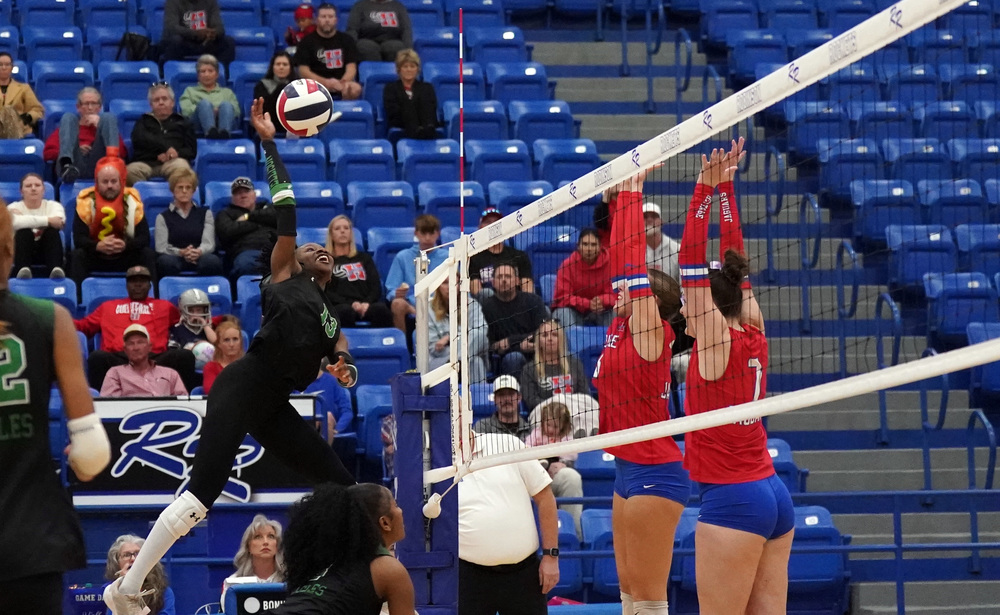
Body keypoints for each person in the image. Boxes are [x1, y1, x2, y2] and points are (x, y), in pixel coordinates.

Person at [104, 97, 360, 615]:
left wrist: (342, 365)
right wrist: (268, 142)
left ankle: (350, 583)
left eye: (323, 250)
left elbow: (338, 346)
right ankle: (126, 587)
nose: (317, 248)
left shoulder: (328, 309)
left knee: (344, 486)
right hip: (244, 384)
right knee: (202, 494)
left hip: (271, 401)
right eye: (310, 247)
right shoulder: (284, 274)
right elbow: (287, 209)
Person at [679, 139, 792, 615]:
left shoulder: (715, 339)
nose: (684, 308)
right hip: (772, 493)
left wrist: (703, 190)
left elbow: (690, 263)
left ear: (707, 306)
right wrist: (726, 189)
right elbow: (735, 262)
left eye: (691, 302)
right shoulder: (752, 326)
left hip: (734, 501)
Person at [0, 200, 111, 613]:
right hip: (32, 539)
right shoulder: (52, 320)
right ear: (11, 249)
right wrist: (78, 458)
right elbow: (92, 455)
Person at [592, 168, 688, 615]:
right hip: (627, 470)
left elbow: (631, 266)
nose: (623, 291)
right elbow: (620, 259)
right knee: (628, 594)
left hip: (656, 469)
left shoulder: (653, 332)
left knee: (649, 601)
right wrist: (617, 206)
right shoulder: (623, 321)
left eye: (636, 291)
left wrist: (634, 193)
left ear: (651, 302)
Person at [267, 483, 413, 614]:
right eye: (396, 505)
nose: (401, 511)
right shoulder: (389, 569)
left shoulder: (329, 559)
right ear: (385, 523)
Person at [458, 428, 560, 615]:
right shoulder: (435, 458)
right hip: (468, 576)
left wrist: (551, 557)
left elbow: (545, 498)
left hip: (524, 574)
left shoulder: (508, 444)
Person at [75, 265, 197, 391]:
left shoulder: (165, 307)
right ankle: (99, 404)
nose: (138, 285)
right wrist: (57, 317)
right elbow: (83, 326)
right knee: (97, 358)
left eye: (142, 281)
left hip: (155, 358)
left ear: (150, 285)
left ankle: (184, 402)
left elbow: (188, 324)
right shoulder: (107, 307)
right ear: (127, 285)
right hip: (119, 359)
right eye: (133, 281)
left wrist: (214, 322)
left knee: (185, 356)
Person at [68, 154, 158, 288]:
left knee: (147, 254)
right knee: (77, 256)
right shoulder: (85, 201)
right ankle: (78, 301)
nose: (109, 186)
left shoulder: (133, 200)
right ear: (97, 183)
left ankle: (153, 297)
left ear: (121, 182)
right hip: (96, 255)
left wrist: (125, 246)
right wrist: (97, 246)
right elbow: (79, 239)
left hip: (125, 254)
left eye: (113, 181)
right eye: (105, 182)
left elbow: (144, 238)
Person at [524, 399, 582, 536]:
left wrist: (563, 463)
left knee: (571, 476)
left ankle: (573, 533)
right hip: (536, 474)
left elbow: (572, 455)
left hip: (555, 475)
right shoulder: (537, 434)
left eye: (555, 427)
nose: (550, 429)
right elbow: (526, 449)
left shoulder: (566, 439)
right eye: (548, 425)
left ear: (563, 426)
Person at [43, 87, 126, 184]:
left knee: (108, 117)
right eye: (86, 104)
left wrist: (100, 126)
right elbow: (48, 154)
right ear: (78, 107)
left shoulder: (108, 127)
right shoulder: (67, 128)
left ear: (99, 107)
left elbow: (122, 153)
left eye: (94, 103)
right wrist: (74, 149)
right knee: (68, 117)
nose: (90, 108)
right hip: (74, 165)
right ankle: (67, 165)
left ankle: (112, 164)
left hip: (102, 166)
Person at [325, 214, 392, 328]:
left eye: (346, 228)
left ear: (351, 233)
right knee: (344, 312)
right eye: (338, 228)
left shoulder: (364, 258)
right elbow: (326, 291)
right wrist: (351, 304)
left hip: (366, 304)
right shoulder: (326, 261)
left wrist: (366, 303)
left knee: (381, 310)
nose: (342, 231)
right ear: (331, 234)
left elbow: (375, 286)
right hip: (341, 306)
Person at [153, 168, 224, 277]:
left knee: (212, 261)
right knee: (165, 262)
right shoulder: (162, 217)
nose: (184, 191)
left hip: (201, 255)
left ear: (194, 190)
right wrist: (181, 252)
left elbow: (209, 243)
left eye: (188, 187)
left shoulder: (205, 213)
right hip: (175, 256)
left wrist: (198, 252)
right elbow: (161, 247)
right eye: (180, 187)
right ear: (173, 190)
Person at [480, 263, 547, 376]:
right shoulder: (486, 307)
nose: (504, 280)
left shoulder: (533, 301)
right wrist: (519, 346)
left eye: (508, 276)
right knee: (514, 358)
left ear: (517, 281)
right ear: (493, 282)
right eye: (500, 277)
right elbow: (489, 344)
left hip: (536, 353)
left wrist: (510, 341)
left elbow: (543, 332)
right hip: (505, 359)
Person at [384, 213, 446, 332]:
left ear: (438, 234)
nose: (427, 238)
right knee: (397, 304)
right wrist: (397, 293)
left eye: (431, 233)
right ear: (416, 233)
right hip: (412, 305)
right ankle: (404, 347)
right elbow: (391, 289)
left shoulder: (448, 257)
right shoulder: (402, 257)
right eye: (423, 233)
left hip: (441, 304)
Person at [126, 83, 198, 186]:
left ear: (172, 102)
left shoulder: (183, 122)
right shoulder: (142, 121)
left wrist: (176, 153)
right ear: (151, 105)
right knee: (130, 171)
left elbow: (191, 151)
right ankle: (143, 198)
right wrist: (165, 149)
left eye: (164, 99)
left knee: (182, 168)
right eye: (156, 100)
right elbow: (139, 140)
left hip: (172, 162)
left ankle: (175, 199)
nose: (161, 102)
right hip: (146, 163)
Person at [294, 3, 363, 101]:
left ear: (336, 20)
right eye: (323, 16)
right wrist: (325, 82)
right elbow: (303, 70)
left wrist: (342, 82)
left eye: (330, 17)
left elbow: (351, 67)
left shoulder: (347, 40)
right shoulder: (306, 41)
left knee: (355, 88)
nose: (327, 20)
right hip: (316, 84)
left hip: (341, 83)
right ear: (317, 20)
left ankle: (345, 112)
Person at [519, 318, 590, 412]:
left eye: (554, 335)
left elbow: (584, 395)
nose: (550, 339)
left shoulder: (575, 364)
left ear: (561, 339)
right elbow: (531, 401)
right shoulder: (529, 369)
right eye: (545, 335)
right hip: (544, 414)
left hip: (574, 412)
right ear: (538, 341)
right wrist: (557, 410)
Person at [551, 228, 615, 328]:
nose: (589, 249)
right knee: (563, 312)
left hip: (602, 311)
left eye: (593, 245)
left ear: (600, 247)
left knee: (616, 311)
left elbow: (616, 294)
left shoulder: (611, 265)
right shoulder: (567, 265)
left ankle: (615, 343)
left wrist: (603, 300)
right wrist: (587, 304)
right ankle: (569, 343)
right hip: (574, 312)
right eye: (585, 244)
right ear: (578, 246)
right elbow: (562, 298)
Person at [101, 324, 188, 397]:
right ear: (125, 349)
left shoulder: (171, 374)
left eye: (140, 342)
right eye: (130, 343)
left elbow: (183, 404)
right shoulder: (115, 373)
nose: (136, 348)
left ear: (149, 347)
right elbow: (109, 407)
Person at [216, 176, 277, 280]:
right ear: (233, 198)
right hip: (247, 251)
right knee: (245, 265)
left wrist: (248, 217)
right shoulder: (226, 213)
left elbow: (281, 216)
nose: (243, 195)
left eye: (246, 191)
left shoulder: (268, 207)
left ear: (254, 195)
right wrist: (259, 223)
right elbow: (228, 231)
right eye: (238, 193)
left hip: (276, 250)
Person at [428, 276, 487, 383]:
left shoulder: (472, 305)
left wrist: (451, 338)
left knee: (477, 334)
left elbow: (481, 334)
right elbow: (434, 349)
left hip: (467, 355)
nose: (450, 287)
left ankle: (458, 362)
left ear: (460, 286)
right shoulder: (429, 309)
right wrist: (461, 341)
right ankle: (459, 362)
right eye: (445, 283)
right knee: (476, 362)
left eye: (454, 283)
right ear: (438, 287)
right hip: (441, 360)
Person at [7, 172, 66, 279]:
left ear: (43, 190)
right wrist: (48, 220)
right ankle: (22, 271)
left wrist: (25, 219)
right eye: (28, 186)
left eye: (37, 185)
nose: (33, 189)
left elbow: (59, 222)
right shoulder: (12, 207)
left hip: (46, 251)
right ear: (21, 191)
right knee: (23, 232)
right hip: (22, 251)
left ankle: (55, 270)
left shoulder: (54, 205)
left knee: (51, 232)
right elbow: (15, 223)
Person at [468, 208, 534, 299]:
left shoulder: (519, 256)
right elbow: (477, 292)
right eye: (488, 222)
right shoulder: (473, 259)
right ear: (480, 228)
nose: (493, 226)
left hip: (517, 306)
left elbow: (528, 290)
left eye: (497, 222)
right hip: (487, 307)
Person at [102, 536, 175, 615]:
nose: (133, 558)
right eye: (126, 555)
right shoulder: (110, 592)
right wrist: (125, 587)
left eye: (138, 554)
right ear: (117, 562)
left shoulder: (164, 592)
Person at [383, 49, 438, 140]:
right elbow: (392, 110)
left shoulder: (427, 87)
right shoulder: (391, 88)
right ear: (399, 69)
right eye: (405, 66)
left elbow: (432, 107)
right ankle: (416, 131)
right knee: (406, 103)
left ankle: (426, 130)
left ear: (417, 69)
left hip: (426, 123)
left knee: (424, 98)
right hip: (401, 123)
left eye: (412, 66)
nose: (409, 69)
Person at [180, 55, 240, 138]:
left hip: (225, 121)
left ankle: (224, 134)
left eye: (210, 71)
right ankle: (210, 133)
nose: (206, 74)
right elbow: (185, 110)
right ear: (198, 75)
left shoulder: (227, 92)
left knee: (226, 105)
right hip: (198, 124)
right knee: (204, 104)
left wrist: (219, 111)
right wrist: (207, 111)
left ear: (217, 74)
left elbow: (236, 111)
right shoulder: (190, 91)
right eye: (203, 71)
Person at [161, 0, 236, 65]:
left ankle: (222, 75)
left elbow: (220, 27)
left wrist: (213, 33)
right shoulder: (173, 2)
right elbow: (171, 28)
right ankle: (171, 74)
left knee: (228, 42)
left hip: (205, 42)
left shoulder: (210, 1)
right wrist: (195, 33)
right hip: (184, 42)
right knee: (175, 41)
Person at [347, 0, 413, 63]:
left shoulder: (398, 6)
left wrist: (409, 50)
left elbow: (406, 30)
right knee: (366, 47)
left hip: (392, 41)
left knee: (395, 47)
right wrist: (350, 49)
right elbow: (352, 29)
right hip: (367, 40)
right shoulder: (360, 5)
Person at [0, 51, 44, 137]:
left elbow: (38, 110)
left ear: (12, 68)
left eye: (7, 64)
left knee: (9, 111)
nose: (4, 67)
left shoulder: (24, 88)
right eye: (0, 64)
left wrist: (28, 117)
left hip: (18, 127)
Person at [253, 52, 297, 136]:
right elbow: (263, 108)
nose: (281, 67)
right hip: (270, 121)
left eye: (285, 64)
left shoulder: (298, 84)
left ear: (290, 68)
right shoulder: (262, 85)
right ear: (272, 67)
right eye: (278, 64)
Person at [231, 515, 285, 583]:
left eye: (271, 536)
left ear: (278, 545)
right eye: (258, 537)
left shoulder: (290, 581)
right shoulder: (234, 582)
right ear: (248, 546)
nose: (265, 542)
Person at [167, 289, 218, 356]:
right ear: (183, 311)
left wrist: (205, 325)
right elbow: (173, 354)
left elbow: (216, 343)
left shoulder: (211, 328)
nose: (195, 314)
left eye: (199, 310)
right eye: (191, 310)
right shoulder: (176, 330)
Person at [201, 317, 242, 394]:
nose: (231, 344)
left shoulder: (248, 366)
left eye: (235, 339)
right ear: (219, 344)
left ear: (240, 341)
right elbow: (211, 392)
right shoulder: (211, 367)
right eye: (226, 340)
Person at [643, 201, 680, 282]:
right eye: (645, 217)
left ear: (661, 221)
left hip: (671, 293)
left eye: (654, 216)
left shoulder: (677, 250)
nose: (649, 220)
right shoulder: (632, 251)